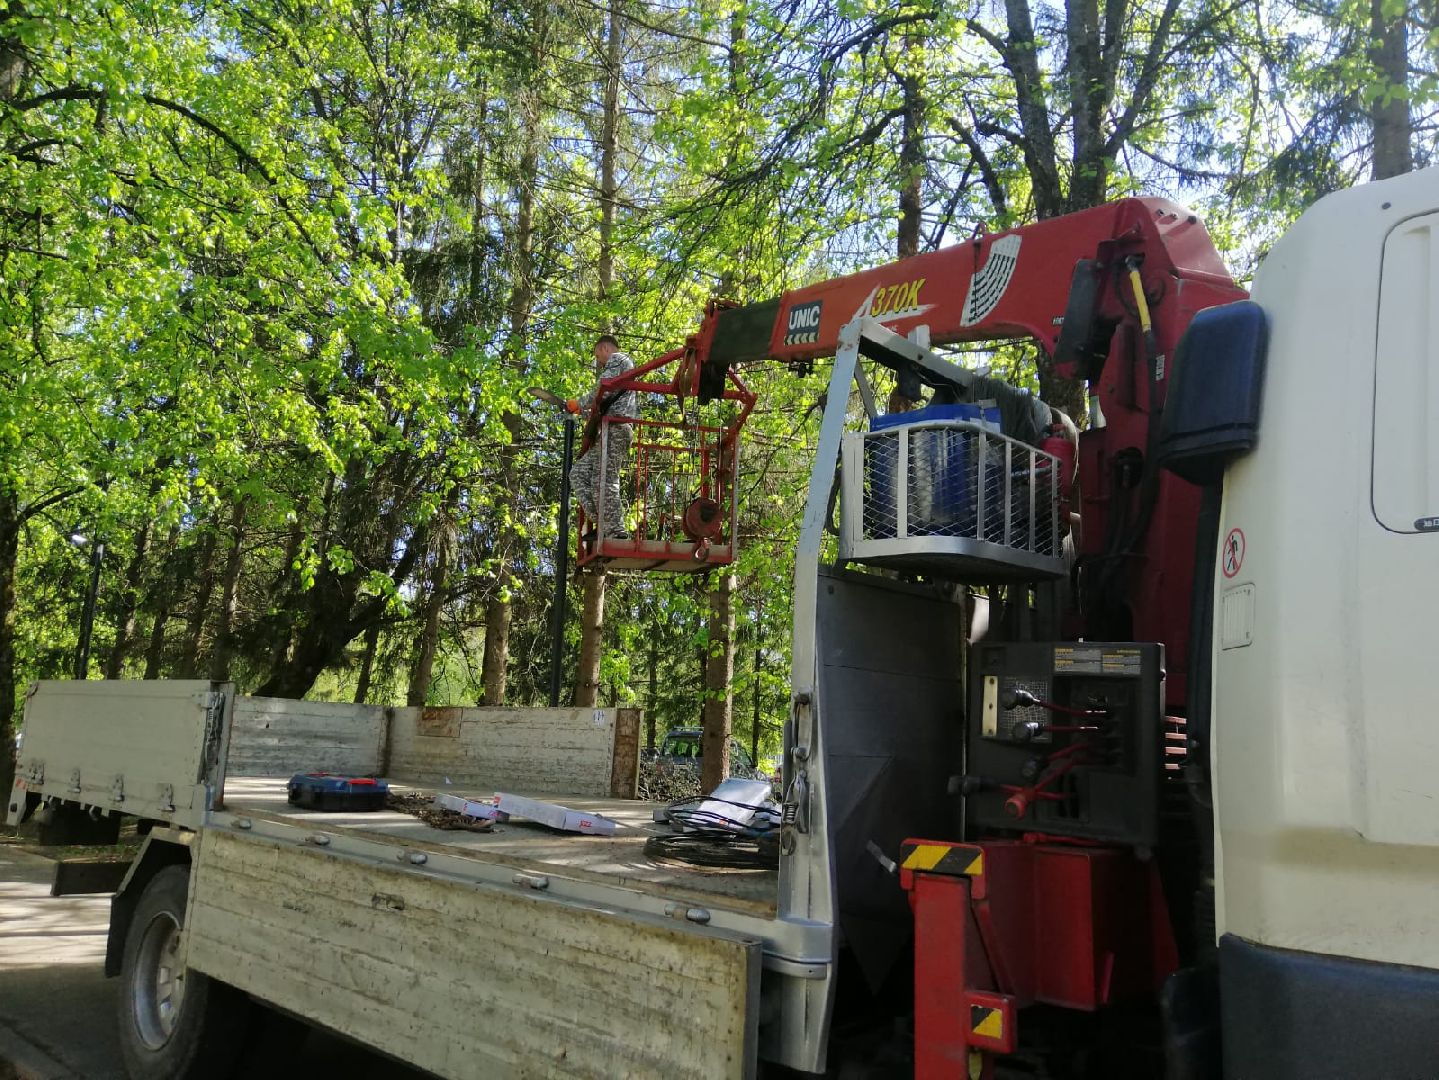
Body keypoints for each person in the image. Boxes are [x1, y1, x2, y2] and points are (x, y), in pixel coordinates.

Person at [567, 334, 639, 543]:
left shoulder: (619, 358)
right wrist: (587, 411)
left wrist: (579, 403)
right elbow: (604, 398)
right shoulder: (618, 363)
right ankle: (605, 524)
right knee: (578, 473)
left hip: (617, 428)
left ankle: (617, 530)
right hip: (607, 429)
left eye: (598, 356)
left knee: (604, 478)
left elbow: (604, 388)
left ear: (606, 348)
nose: (599, 361)